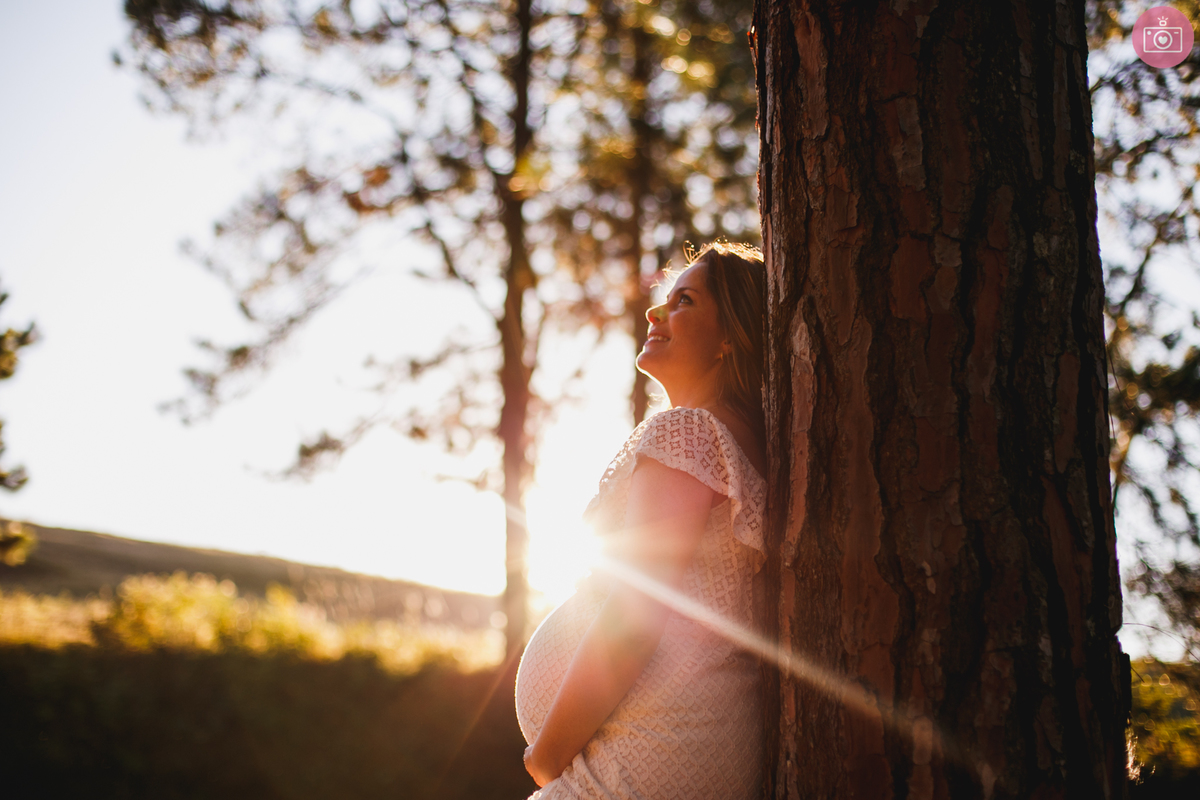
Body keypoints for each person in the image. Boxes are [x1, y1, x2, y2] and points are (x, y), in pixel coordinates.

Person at [514, 241, 768, 799]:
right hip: (685, 742)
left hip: (652, 752)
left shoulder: (686, 432)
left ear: (731, 337)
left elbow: (635, 614)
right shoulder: (741, 444)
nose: (656, 311)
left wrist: (547, 755)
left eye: (684, 301)